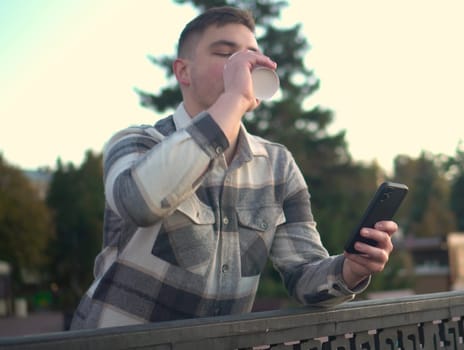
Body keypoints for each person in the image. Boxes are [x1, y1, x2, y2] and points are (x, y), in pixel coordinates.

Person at [70, 6, 398, 329]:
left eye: (251, 55)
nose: (244, 64)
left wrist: (351, 270)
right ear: (183, 72)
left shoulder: (277, 165)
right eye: (226, 54)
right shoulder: (137, 142)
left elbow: (303, 273)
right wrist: (234, 100)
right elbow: (140, 203)